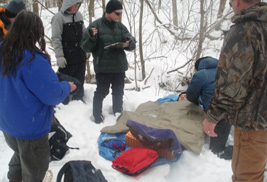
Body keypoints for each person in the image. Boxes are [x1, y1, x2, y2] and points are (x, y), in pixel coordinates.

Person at [0, 11, 76, 182]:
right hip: (30, 129)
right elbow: (52, 95)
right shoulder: (31, 59)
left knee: (21, 154)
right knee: (35, 168)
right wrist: (67, 86)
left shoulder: (4, 51)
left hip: (8, 125)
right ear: (35, 32)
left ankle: (14, 178)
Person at [203, 0, 267, 181]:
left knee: (247, 177)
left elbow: (232, 84)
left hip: (253, 122)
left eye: (230, 3)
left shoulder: (245, 30)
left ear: (238, 2)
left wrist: (212, 116)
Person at [81, 0, 136, 123]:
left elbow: (130, 39)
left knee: (118, 92)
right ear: (109, 12)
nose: (119, 16)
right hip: (103, 67)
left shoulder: (121, 27)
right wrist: (92, 38)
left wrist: (130, 42)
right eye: (117, 13)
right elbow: (85, 47)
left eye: (121, 13)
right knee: (102, 91)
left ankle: (118, 113)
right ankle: (96, 116)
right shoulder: (96, 26)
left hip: (119, 66)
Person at [186, 56, 232, 160]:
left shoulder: (200, 75)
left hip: (218, 115)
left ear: (199, 67)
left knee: (216, 152)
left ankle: (246, 153)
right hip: (234, 112)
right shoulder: (227, 71)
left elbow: (191, 95)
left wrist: (197, 102)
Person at [51, 0, 86, 104]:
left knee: (80, 78)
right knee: (66, 79)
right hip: (67, 55)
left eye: (77, 4)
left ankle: (78, 99)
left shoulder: (79, 16)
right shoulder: (58, 18)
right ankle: (64, 102)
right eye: (73, 5)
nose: (75, 7)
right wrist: (59, 56)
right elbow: (56, 39)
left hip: (80, 53)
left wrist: (86, 48)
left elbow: (84, 34)